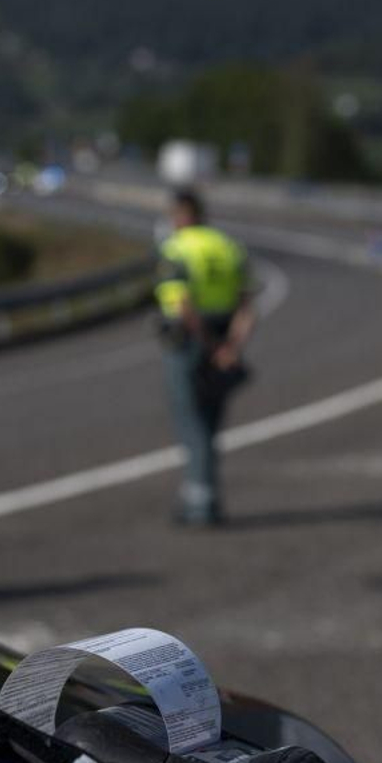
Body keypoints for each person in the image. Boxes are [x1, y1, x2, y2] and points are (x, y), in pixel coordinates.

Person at [154, 190, 255, 527]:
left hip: (189, 343)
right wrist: (231, 348)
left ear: (181, 215)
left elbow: (183, 306)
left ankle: (200, 500)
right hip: (224, 341)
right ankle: (202, 495)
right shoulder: (228, 246)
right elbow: (246, 305)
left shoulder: (177, 249)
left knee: (191, 422)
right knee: (211, 424)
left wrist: (211, 346)